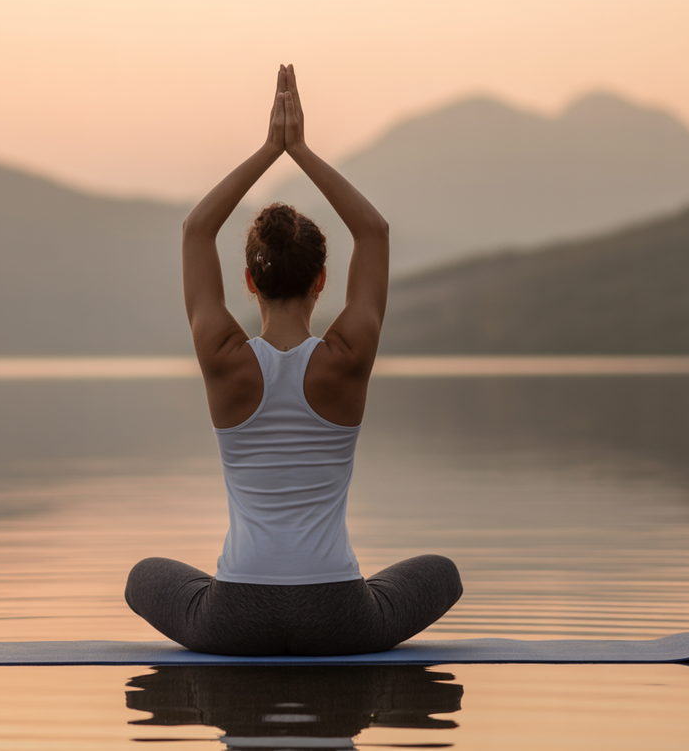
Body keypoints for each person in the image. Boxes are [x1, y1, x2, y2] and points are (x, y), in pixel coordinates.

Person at [124, 65, 461, 656]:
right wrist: (300, 150)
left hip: (233, 620)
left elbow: (196, 232)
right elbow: (374, 232)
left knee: (142, 576)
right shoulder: (347, 358)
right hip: (339, 617)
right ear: (323, 281)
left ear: (249, 282)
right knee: (444, 572)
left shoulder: (224, 359)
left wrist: (268, 149)